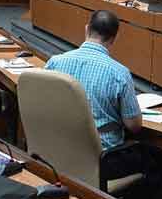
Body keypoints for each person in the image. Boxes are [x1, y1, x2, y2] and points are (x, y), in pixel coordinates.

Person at [45, 10, 142, 150]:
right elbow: (134, 126)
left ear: (87, 29)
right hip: (100, 154)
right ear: (114, 38)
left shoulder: (55, 62)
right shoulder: (120, 74)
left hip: (58, 145)